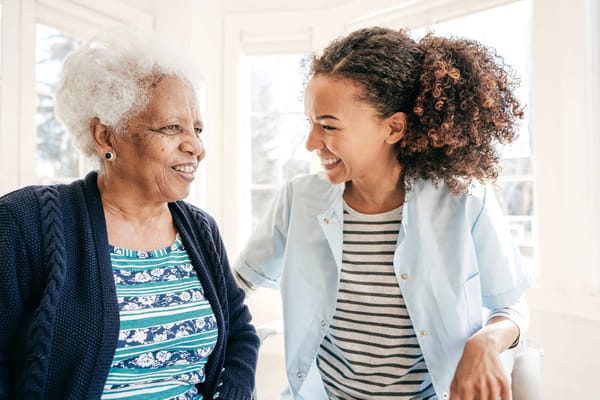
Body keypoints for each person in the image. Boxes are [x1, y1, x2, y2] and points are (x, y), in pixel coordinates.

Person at [234, 27, 533, 400]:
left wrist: (486, 343)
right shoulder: (299, 198)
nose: (311, 143)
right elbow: (236, 288)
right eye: (311, 123)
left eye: (328, 126)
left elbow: (511, 306)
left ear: (393, 127)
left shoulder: (464, 201)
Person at [0, 26, 259, 400]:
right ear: (106, 137)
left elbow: (239, 330)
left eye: (197, 129)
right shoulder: (26, 222)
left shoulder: (200, 229)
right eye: (172, 127)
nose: (196, 147)